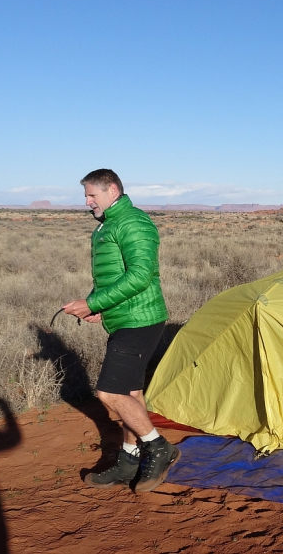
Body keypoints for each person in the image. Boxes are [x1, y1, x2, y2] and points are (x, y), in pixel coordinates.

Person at [61, 168, 177, 493]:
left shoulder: (133, 223)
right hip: (126, 317)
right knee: (132, 394)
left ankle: (158, 447)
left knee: (110, 393)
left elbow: (141, 275)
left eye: (91, 195)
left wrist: (94, 301)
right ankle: (128, 460)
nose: (86, 202)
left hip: (139, 320)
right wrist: (100, 307)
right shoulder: (110, 224)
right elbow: (117, 276)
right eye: (85, 196)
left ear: (111, 191)